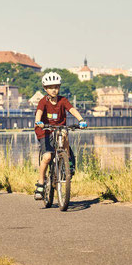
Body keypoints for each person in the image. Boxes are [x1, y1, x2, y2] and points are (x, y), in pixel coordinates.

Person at [33, 71, 87, 200]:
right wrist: (38, 121)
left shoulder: (63, 100)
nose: (54, 90)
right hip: (45, 131)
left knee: (64, 133)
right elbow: (39, 112)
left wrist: (81, 120)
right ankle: (40, 183)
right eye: (51, 87)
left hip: (59, 128)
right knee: (47, 157)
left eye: (56, 87)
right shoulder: (43, 102)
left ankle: (66, 159)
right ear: (45, 88)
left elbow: (72, 109)